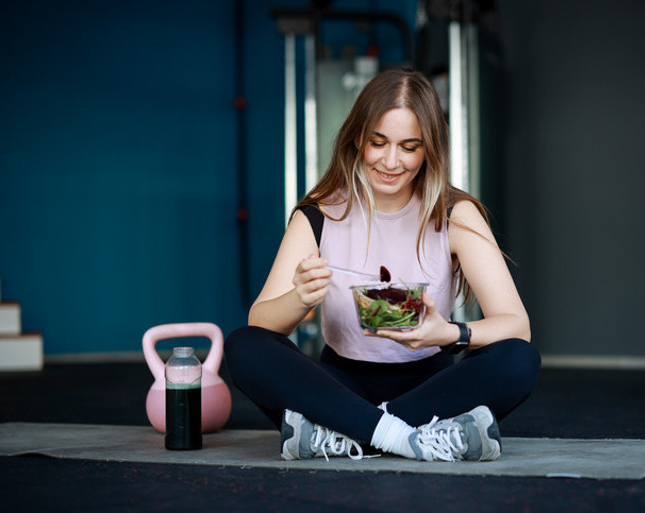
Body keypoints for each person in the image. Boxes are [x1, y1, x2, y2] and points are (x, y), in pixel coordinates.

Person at [225, 68, 540, 462]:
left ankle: (345, 434)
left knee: (519, 359)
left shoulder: (455, 213)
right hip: (339, 384)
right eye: (379, 143)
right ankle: (416, 437)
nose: (391, 161)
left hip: (431, 383)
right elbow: (262, 323)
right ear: (358, 138)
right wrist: (299, 297)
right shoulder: (319, 214)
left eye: (410, 147)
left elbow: (517, 325)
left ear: (429, 150)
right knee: (243, 346)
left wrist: (447, 332)